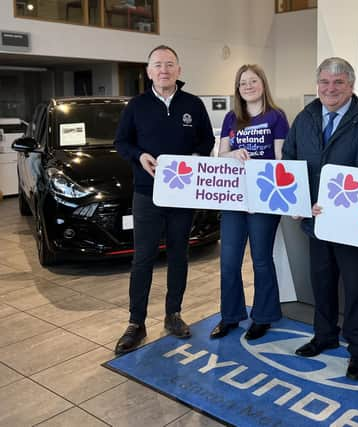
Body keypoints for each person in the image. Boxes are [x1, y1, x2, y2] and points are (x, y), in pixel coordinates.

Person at [113, 45, 214, 355]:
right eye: (158, 65)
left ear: (179, 70)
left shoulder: (193, 105)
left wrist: (196, 159)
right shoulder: (136, 106)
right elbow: (121, 142)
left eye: (170, 65)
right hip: (147, 193)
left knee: (179, 255)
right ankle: (136, 322)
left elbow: (207, 140)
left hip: (182, 194)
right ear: (149, 72)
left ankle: (173, 314)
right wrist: (139, 155)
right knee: (142, 258)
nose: (164, 70)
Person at [282, 57, 358, 380]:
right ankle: (324, 336)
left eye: (338, 82)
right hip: (315, 222)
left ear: (351, 85)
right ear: (317, 84)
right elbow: (289, 160)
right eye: (324, 82)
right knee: (321, 282)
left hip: (351, 226)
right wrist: (298, 201)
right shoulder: (305, 117)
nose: (330, 88)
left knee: (357, 287)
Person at [209, 64, 289, 341]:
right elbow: (221, 154)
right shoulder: (232, 117)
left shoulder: (276, 117)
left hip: (263, 198)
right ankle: (230, 315)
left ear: (263, 84)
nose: (248, 86)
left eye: (253, 81)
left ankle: (263, 316)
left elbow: (281, 161)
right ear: (238, 89)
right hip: (234, 197)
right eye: (243, 83)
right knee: (229, 261)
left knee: (261, 259)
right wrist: (234, 154)